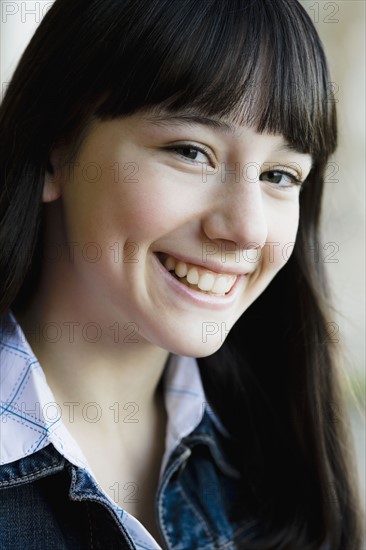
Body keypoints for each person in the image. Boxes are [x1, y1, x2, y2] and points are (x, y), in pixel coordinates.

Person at [0, 0, 363, 548]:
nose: (245, 228)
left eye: (279, 174)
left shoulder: (284, 474)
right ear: (55, 149)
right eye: (192, 151)